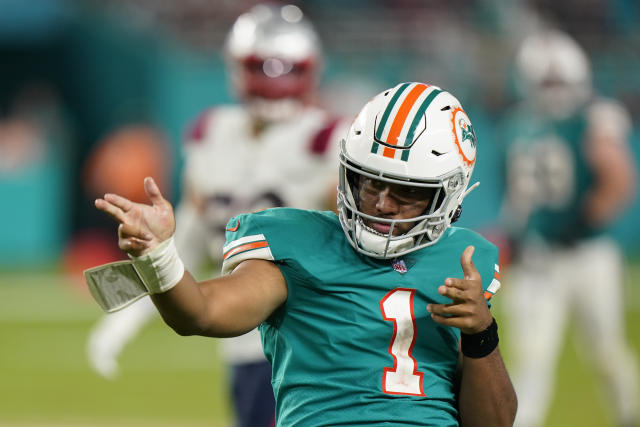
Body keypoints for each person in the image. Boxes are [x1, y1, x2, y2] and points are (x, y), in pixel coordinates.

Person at [90, 81, 517, 426]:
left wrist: (482, 334)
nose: (383, 204)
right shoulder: (297, 241)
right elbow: (201, 313)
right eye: (369, 183)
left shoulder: (464, 259)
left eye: (406, 192)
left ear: (450, 194)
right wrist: (158, 254)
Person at [86, 4, 348, 427]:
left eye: (286, 70)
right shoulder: (212, 134)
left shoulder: (333, 140)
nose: (273, 83)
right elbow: (188, 235)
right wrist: (128, 309)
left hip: (310, 334)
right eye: (261, 69)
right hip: (240, 335)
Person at [499, 28, 639, 427]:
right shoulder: (521, 124)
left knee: (606, 352)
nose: (553, 89)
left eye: (557, 80)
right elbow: (516, 198)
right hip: (541, 257)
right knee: (532, 358)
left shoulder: (592, 118)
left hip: (585, 253)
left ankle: (628, 416)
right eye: (548, 81)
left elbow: (616, 179)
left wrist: (580, 222)